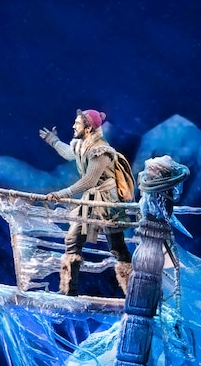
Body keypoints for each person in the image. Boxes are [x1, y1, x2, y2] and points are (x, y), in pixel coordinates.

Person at [38, 109, 132, 296]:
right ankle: (69, 290)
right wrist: (53, 140)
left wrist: (62, 193)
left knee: (117, 247)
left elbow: (89, 180)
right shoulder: (83, 145)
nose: (73, 126)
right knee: (72, 239)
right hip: (89, 201)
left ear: (88, 128)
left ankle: (134, 289)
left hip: (106, 201)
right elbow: (69, 152)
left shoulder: (101, 150)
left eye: (77, 123)